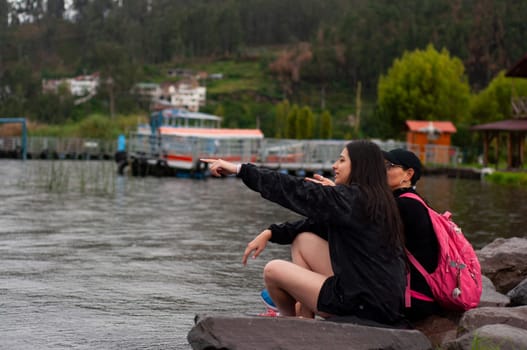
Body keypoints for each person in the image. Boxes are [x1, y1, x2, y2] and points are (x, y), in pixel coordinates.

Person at [202, 140, 407, 326]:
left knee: (273, 270)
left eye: (342, 160)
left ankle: (290, 322)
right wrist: (271, 232)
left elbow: (292, 188)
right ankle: (304, 317)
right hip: (379, 300)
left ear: (360, 166)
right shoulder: (376, 199)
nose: (335, 165)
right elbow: (314, 225)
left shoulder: (350, 199)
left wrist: (240, 169)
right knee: (304, 240)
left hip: (363, 306)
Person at [253, 148, 440, 322]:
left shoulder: (405, 207)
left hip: (404, 298)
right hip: (386, 288)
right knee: (304, 240)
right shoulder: (400, 202)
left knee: (277, 268)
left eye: (388, 166)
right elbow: (332, 224)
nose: (381, 171)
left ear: (409, 174)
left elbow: (349, 218)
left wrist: (337, 197)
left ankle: (298, 314)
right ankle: (303, 313)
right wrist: (338, 197)